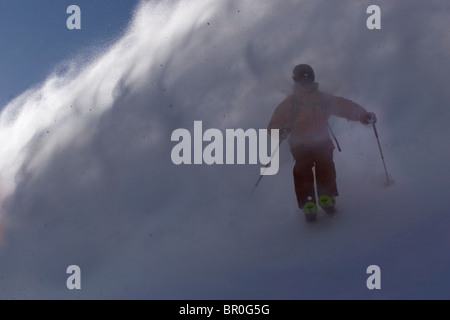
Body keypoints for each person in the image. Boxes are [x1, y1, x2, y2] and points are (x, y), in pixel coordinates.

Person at [268, 64, 377, 221]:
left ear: (313, 78)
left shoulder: (322, 99)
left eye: (308, 78)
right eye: (301, 79)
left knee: (325, 163)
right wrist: (280, 131)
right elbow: (274, 124)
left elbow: (344, 107)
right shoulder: (290, 103)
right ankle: (308, 202)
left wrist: (364, 115)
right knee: (302, 167)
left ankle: (326, 196)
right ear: (295, 81)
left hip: (321, 140)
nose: (305, 83)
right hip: (300, 143)